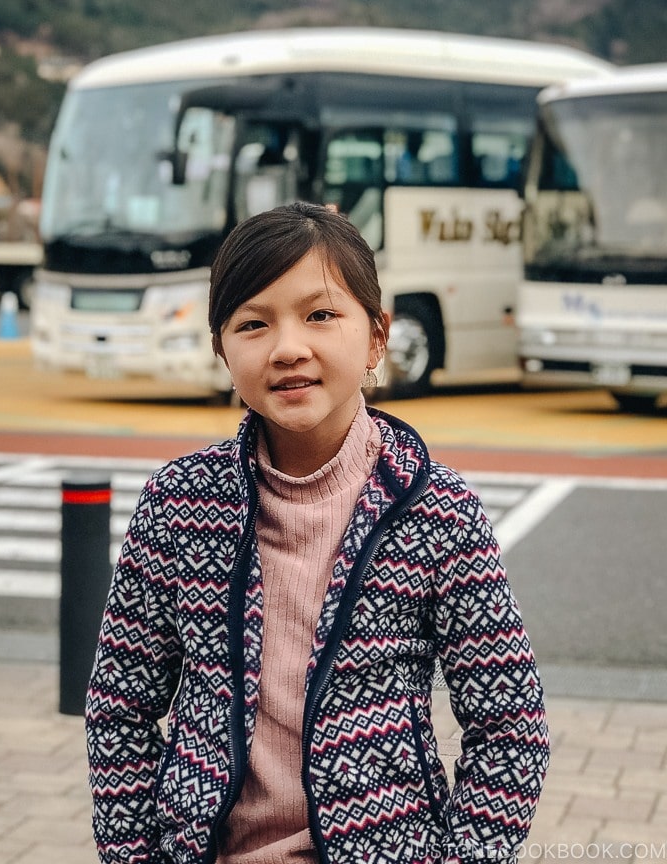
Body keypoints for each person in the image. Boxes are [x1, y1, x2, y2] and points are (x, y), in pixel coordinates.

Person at [86, 201, 549, 864]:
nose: (289, 347)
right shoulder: (178, 505)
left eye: (321, 314)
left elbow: (510, 727)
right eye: (253, 323)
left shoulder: (438, 513)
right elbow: (119, 709)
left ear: (377, 337)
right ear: (222, 349)